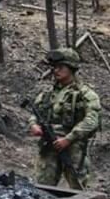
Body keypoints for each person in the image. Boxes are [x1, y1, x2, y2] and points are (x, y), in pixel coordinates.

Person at [27, 48, 101, 190]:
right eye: (55, 67)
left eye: (61, 67)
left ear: (71, 68)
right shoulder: (47, 93)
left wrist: (68, 139)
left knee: (77, 189)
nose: (56, 70)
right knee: (42, 188)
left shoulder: (85, 94)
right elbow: (35, 112)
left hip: (73, 147)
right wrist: (33, 124)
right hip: (49, 145)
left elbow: (91, 120)